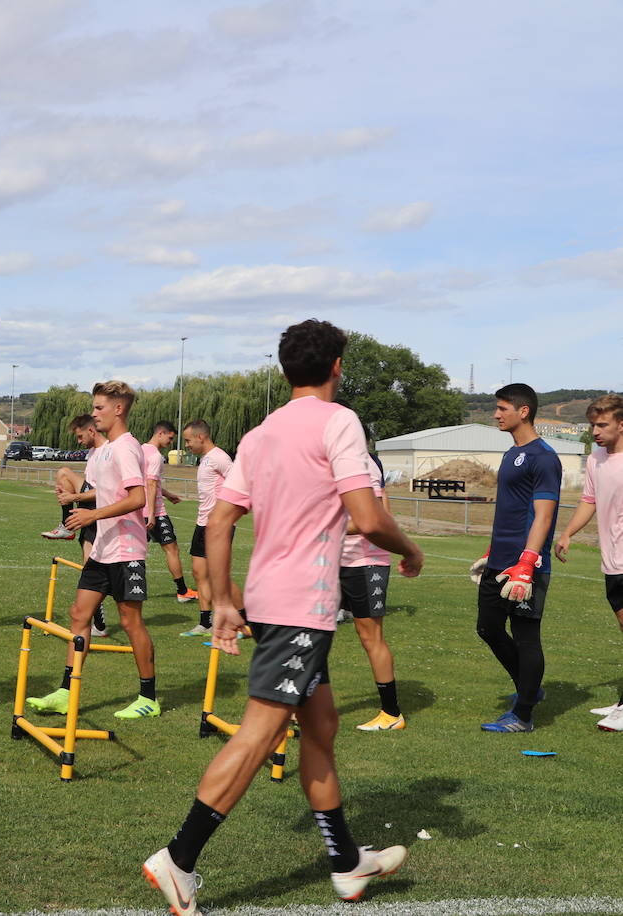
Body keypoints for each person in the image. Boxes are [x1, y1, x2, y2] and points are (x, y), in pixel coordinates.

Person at [144, 319, 423, 914]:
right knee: (261, 733)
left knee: (321, 728)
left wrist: (222, 600)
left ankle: (346, 863)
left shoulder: (260, 432)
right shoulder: (339, 421)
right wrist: (412, 550)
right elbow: (369, 519)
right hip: (302, 607)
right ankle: (178, 858)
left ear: (284, 369)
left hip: (270, 603)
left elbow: (218, 522)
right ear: (337, 367)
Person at [27, 381, 160, 720]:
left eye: (100, 407)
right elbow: (102, 492)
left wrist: (92, 514)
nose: (94, 413)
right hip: (102, 548)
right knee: (78, 614)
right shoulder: (102, 450)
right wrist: (76, 499)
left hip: (126, 550)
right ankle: (66, 691)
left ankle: (149, 697)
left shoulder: (127, 448)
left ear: (119, 409)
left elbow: (136, 498)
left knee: (131, 623)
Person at [470, 383, 561, 734]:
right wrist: (492, 552)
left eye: (502, 408)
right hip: (499, 560)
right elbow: (511, 511)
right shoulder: (511, 455)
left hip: (526, 566)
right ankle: (530, 689)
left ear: (523, 411)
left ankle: (523, 714)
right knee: (488, 628)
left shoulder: (544, 457)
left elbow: (543, 516)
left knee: (526, 637)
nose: (496, 414)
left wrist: (527, 563)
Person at [555, 393, 623, 731]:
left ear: (621, 424)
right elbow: (589, 500)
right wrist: (567, 533)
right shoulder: (596, 459)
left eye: (602, 424)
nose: (595, 431)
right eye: (592, 425)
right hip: (612, 560)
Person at [340, 444, 405, 731]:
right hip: (335, 560)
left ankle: (391, 714)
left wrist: (320, 526)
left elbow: (373, 519)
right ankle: (298, 709)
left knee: (370, 636)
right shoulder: (335, 461)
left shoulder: (361, 463)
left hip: (366, 561)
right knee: (313, 631)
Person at [41, 415, 111, 635]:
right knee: (90, 571)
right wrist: (68, 494)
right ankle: (98, 625)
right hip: (89, 515)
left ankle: (66, 526)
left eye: (80, 436)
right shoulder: (92, 454)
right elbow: (89, 489)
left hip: (103, 514)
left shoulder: (109, 451)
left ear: (91, 430)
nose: (79, 441)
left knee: (63, 471)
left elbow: (106, 491)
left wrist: (73, 497)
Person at [181, 419, 243, 637]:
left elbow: (239, 482)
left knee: (220, 576)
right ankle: (205, 622)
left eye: (188, 440)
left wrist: (228, 515)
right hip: (202, 524)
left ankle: (245, 621)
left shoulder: (219, 457)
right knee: (199, 573)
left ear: (201, 437)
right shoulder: (205, 460)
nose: (186, 445)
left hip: (219, 526)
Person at [143, 420, 199, 605]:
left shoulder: (140, 451)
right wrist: (152, 513)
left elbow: (150, 482)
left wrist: (168, 494)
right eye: (170, 437)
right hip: (154, 512)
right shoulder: (156, 457)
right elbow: (150, 484)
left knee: (135, 552)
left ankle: (125, 588)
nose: (171, 442)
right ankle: (182, 591)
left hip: (136, 509)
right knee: (171, 549)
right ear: (161, 433)